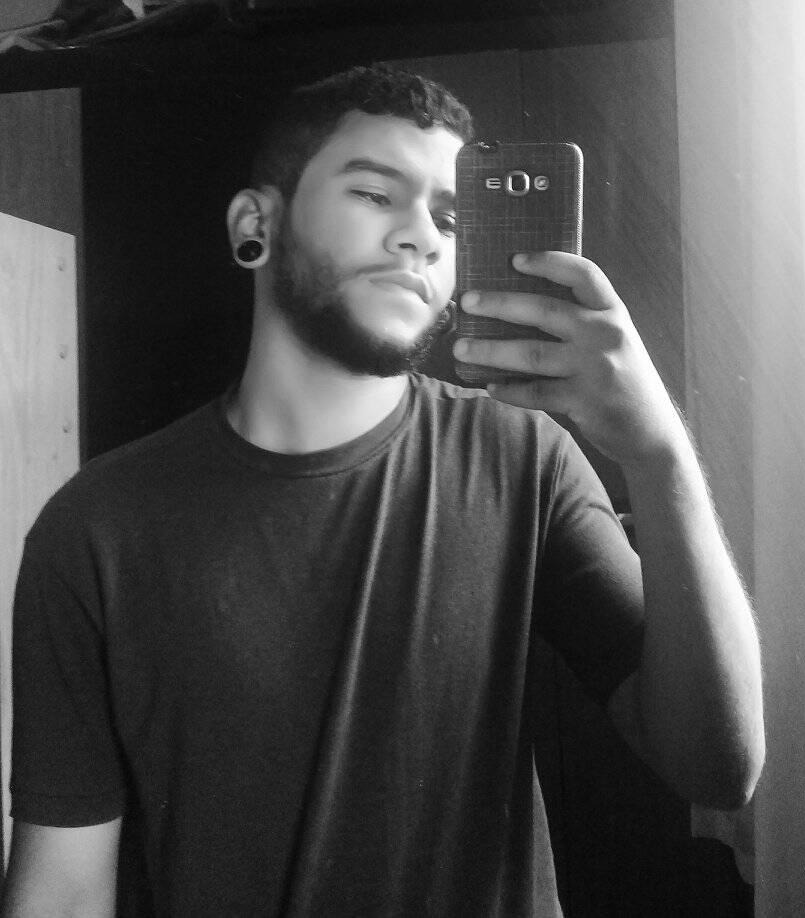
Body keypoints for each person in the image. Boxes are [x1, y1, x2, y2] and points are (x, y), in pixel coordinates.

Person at [1, 65, 764, 917]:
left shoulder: (522, 460)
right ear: (256, 223)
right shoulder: (96, 527)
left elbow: (720, 768)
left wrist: (661, 459)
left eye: (449, 217)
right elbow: (60, 890)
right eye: (374, 194)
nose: (422, 238)